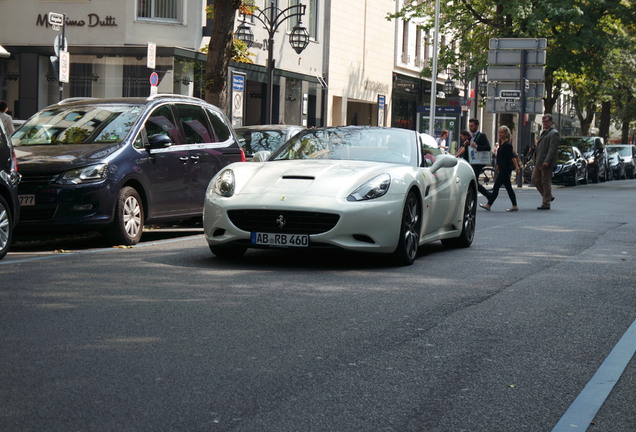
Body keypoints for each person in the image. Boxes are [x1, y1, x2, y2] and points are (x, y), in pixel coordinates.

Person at [479, 125, 519, 212]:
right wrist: (497, 167)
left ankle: (489, 204)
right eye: (499, 132)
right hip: (503, 168)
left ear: (506, 134)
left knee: (496, 186)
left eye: (501, 132)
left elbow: (512, 157)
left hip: (505, 169)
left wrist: (517, 167)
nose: (499, 134)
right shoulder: (502, 144)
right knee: (508, 188)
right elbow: (500, 158)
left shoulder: (508, 145)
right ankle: (514, 205)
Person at [532, 114, 559, 210]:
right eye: (543, 122)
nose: (544, 123)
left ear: (551, 122)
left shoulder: (554, 133)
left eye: (546, 121)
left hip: (546, 162)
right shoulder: (544, 132)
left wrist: (547, 161)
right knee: (535, 180)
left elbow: (552, 149)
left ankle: (546, 203)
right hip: (538, 161)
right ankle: (548, 196)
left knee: (545, 181)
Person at [467, 118, 491, 197]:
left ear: (477, 126)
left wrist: (477, 146)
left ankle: (488, 195)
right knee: (473, 181)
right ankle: (487, 195)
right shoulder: (470, 137)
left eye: (472, 126)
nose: (470, 128)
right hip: (472, 162)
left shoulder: (481, 135)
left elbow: (488, 147)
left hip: (478, 162)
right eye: (469, 126)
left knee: (474, 181)